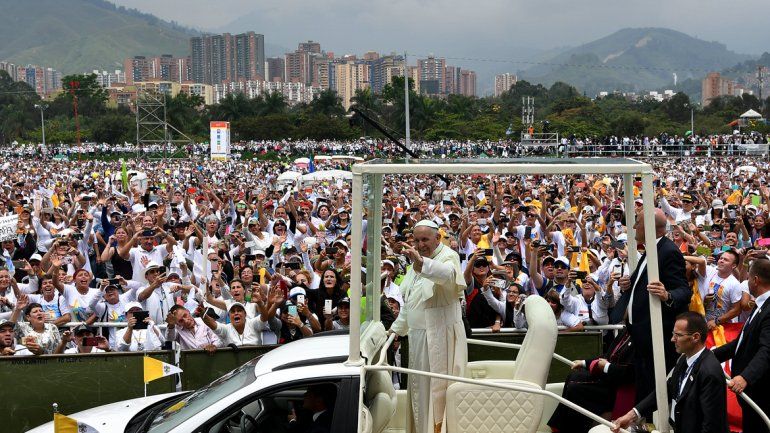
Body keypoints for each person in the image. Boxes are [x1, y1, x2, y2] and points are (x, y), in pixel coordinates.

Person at [390, 220, 467, 433]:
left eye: (425, 239)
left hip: (438, 337)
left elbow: (448, 275)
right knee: (420, 393)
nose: (420, 244)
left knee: (435, 394)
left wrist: (422, 263)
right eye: (416, 240)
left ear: (438, 238)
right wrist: (395, 330)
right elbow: (412, 302)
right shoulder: (415, 262)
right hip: (418, 339)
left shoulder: (448, 256)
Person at [612, 208, 691, 402]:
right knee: (644, 390)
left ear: (649, 226)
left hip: (656, 340)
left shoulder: (668, 251)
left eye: (637, 222)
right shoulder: (652, 250)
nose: (633, 227)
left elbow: (683, 290)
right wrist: (629, 284)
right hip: (642, 338)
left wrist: (667, 295)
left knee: (652, 393)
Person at [612, 312, 728, 433]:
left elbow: (712, 426)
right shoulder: (684, 359)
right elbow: (667, 390)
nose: (672, 339)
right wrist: (631, 415)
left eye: (678, 335)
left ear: (695, 337)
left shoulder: (710, 373)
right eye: (673, 334)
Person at [713, 257, 770, 433]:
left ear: (755, 280)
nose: (746, 282)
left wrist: (746, 377)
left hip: (761, 391)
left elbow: (767, 350)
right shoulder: (760, 305)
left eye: (748, 278)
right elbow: (740, 343)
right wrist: (709, 356)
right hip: (751, 392)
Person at [548, 328, 635, 433]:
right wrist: (584, 362)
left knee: (575, 387)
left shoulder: (640, 337)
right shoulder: (626, 331)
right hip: (608, 377)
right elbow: (607, 355)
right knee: (573, 377)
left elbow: (630, 373)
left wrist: (606, 366)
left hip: (620, 386)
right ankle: (558, 428)